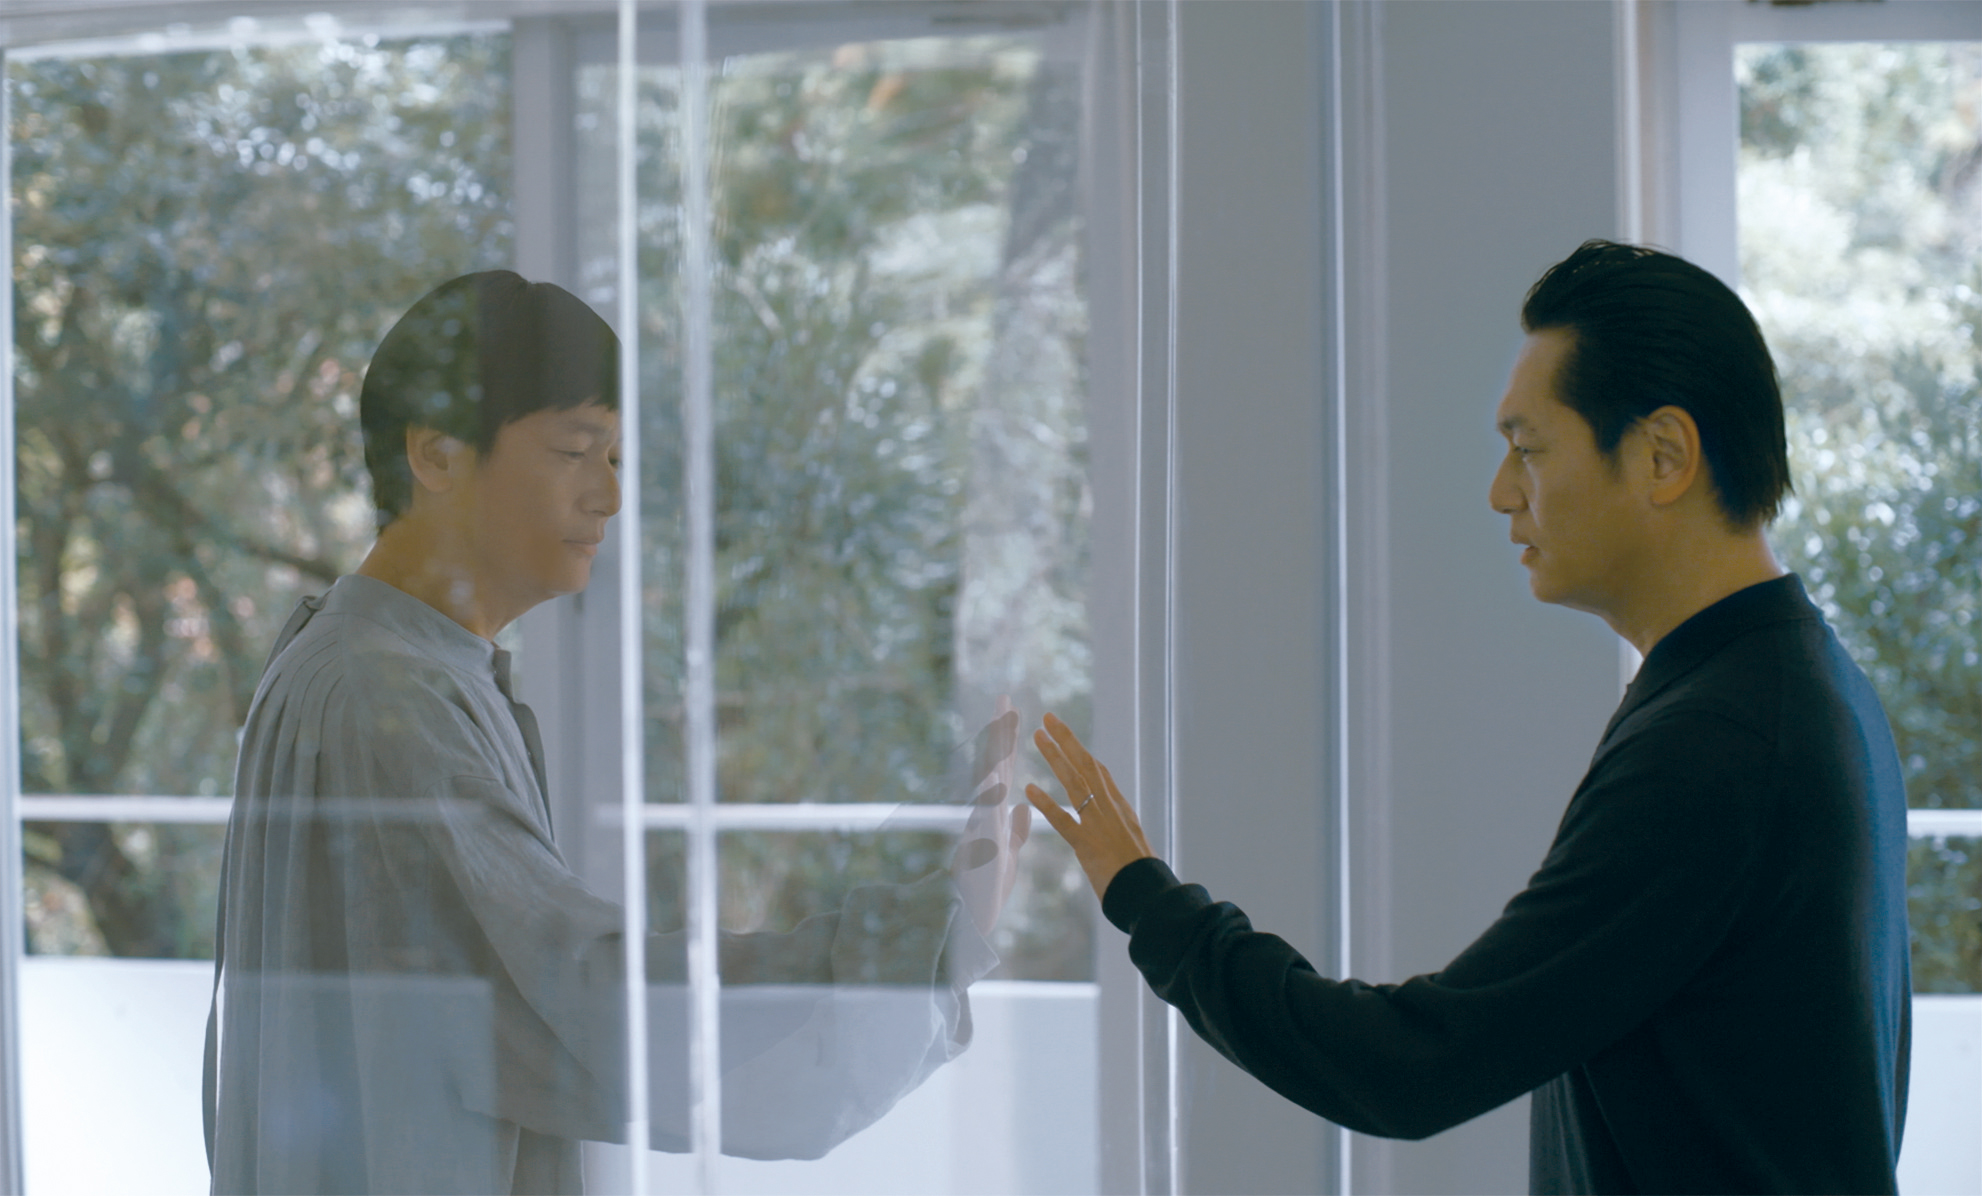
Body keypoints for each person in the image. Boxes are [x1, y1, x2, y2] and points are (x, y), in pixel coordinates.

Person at [1025, 241, 1911, 1194]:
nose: (1500, 493)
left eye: (1529, 449)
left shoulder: (1719, 744)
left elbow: (1413, 1065)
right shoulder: (1799, 688)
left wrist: (1147, 902)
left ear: (1663, 457)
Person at [203, 270, 1029, 1195]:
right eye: (574, 451)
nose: (608, 496)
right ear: (436, 455)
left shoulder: (372, 662)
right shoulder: (384, 694)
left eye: (617, 458)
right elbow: (583, 1004)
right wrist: (927, 932)